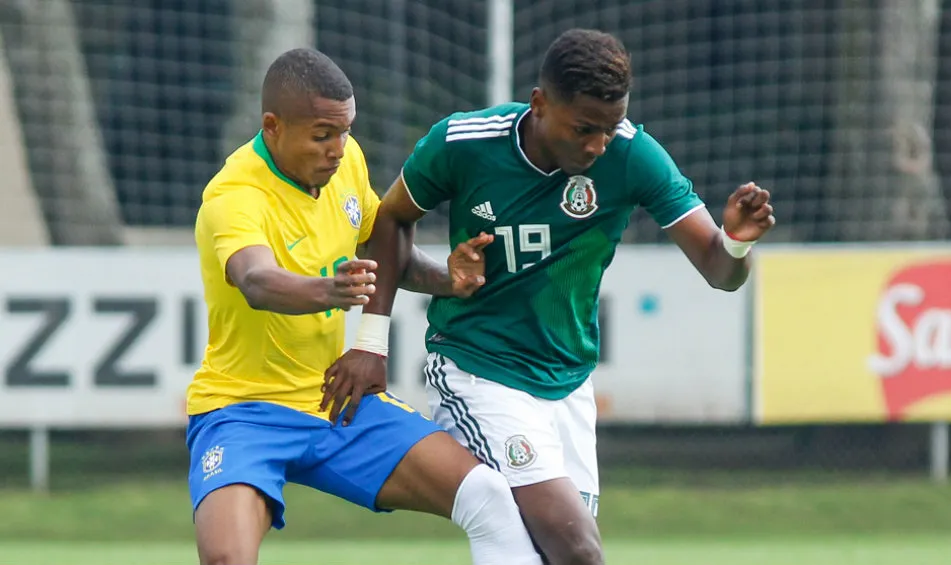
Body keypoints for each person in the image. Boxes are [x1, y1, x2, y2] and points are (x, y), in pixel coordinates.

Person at [324, 29, 777, 565]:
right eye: (584, 128)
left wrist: (736, 242)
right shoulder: (463, 144)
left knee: (539, 551)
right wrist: (372, 343)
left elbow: (718, 271)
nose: (597, 145)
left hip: (567, 384)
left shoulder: (632, 155)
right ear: (539, 104)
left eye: (608, 129)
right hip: (479, 370)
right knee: (577, 548)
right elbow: (392, 218)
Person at [187, 47, 543, 565]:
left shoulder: (346, 163)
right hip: (243, 413)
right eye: (322, 135)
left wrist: (450, 279)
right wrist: (326, 291)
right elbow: (256, 280)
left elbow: (383, 249)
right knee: (226, 559)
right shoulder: (234, 194)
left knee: (487, 496)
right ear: (272, 126)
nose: (337, 149)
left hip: (337, 400)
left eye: (345, 132)